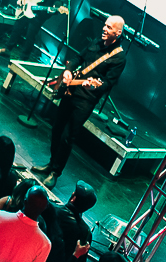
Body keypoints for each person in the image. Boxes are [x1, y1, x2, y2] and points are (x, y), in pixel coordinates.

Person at [37, 14, 127, 187]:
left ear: (118, 33)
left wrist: (93, 86)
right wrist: (68, 70)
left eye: (109, 27)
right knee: (56, 129)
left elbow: (107, 83)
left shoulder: (119, 58)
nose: (104, 29)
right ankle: (51, 163)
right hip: (71, 89)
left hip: (85, 100)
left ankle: (55, 172)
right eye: (105, 25)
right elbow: (78, 58)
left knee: (67, 136)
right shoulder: (97, 42)